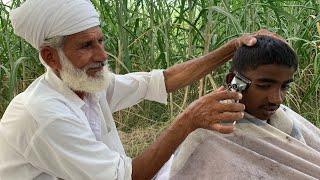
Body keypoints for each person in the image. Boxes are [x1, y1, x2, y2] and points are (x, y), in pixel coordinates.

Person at [0, 0, 277, 179]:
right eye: (86, 45)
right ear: (50, 57)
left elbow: (159, 81)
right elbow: (128, 178)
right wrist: (189, 119)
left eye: (101, 41)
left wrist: (231, 49)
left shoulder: (86, 85)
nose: (102, 55)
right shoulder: (44, 114)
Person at [163, 35, 320, 179]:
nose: (277, 99)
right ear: (234, 81)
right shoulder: (209, 133)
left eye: (284, 87)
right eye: (264, 85)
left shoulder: (286, 120)